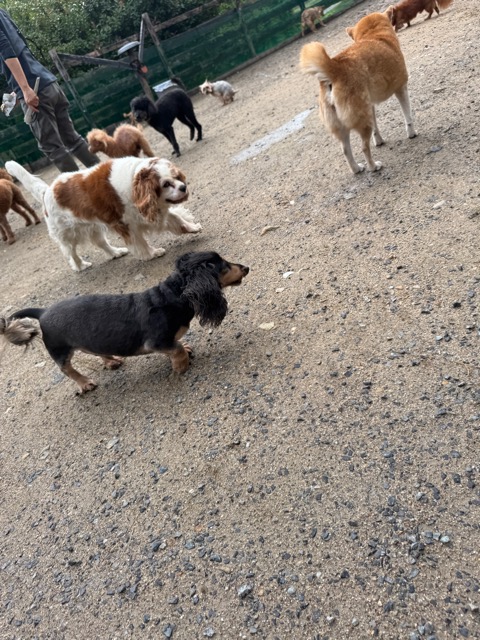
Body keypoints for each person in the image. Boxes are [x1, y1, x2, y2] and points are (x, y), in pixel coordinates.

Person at [0, 8, 99, 172]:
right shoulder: (2, 13)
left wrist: (25, 88)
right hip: (47, 83)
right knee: (72, 139)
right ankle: (105, 179)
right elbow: (20, 49)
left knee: (52, 148)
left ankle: (78, 188)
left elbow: (6, 50)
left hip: (36, 92)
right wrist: (18, 91)